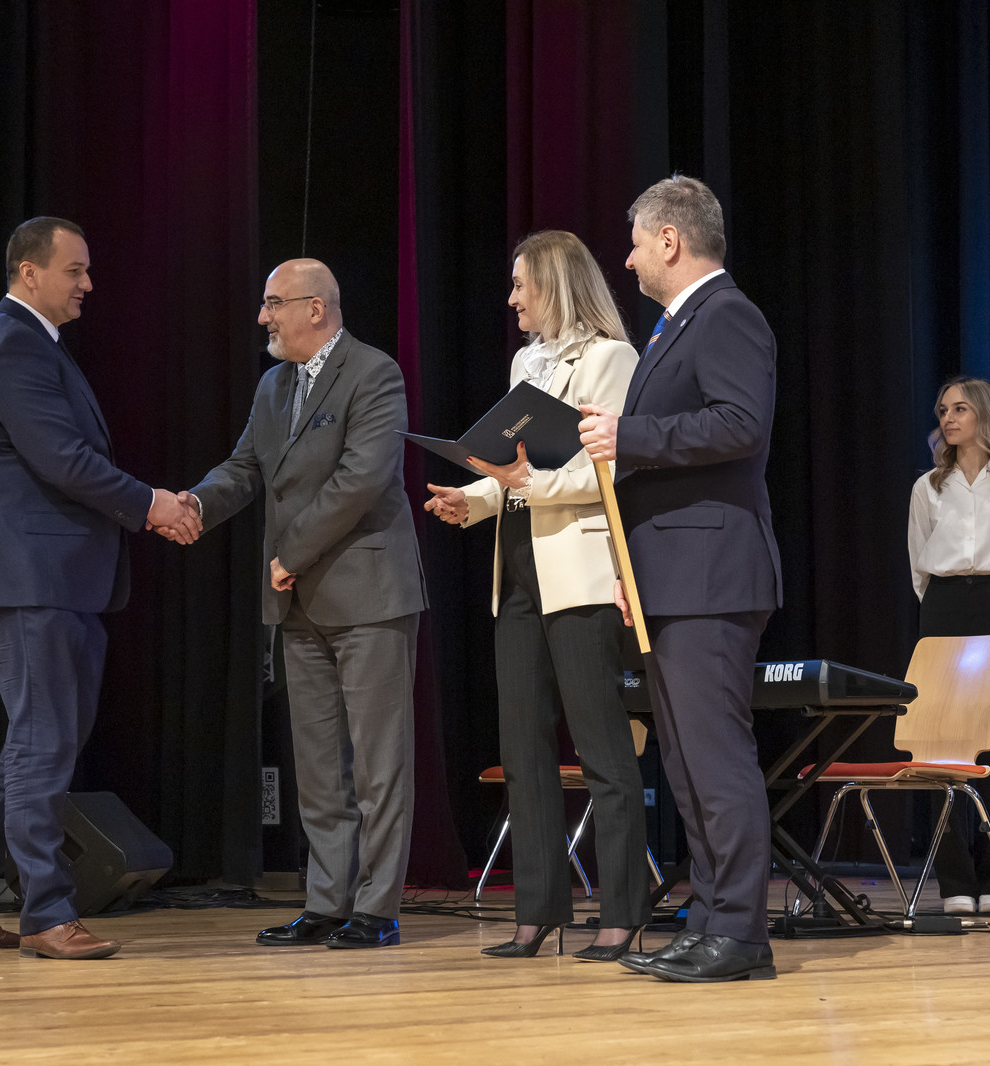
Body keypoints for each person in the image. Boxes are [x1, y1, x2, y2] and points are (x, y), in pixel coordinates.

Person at [0, 217, 198, 961]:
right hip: (29, 572)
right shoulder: (12, 343)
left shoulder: (32, 342)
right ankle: (46, 912)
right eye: (74, 271)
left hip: (56, 575)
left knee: (44, 737)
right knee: (43, 740)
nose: (87, 284)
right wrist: (151, 504)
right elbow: (62, 458)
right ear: (29, 272)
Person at [182, 258, 427, 948]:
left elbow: (362, 479)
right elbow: (245, 468)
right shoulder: (273, 385)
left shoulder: (375, 373)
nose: (263, 317)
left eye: (274, 303)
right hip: (298, 605)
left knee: (378, 763)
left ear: (315, 308)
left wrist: (291, 554)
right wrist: (194, 505)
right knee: (319, 767)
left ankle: (376, 908)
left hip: (368, 594)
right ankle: (326, 902)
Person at [578, 175, 782, 983]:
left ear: (670, 239)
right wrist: (631, 570)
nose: (627, 262)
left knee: (716, 759)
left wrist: (628, 434)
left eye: (635, 245)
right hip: (670, 575)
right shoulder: (674, 327)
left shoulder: (726, 313)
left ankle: (740, 933)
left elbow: (740, 423)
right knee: (689, 767)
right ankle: (711, 923)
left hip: (712, 573)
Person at [425, 230, 648, 961]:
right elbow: (514, 471)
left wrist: (527, 483)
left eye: (521, 284)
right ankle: (537, 911)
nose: (513, 299)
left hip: (578, 566)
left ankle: (621, 912)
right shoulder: (528, 362)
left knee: (601, 748)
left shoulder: (611, 358)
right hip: (518, 565)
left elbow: (606, 469)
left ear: (554, 283)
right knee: (522, 748)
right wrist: (473, 499)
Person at [907, 376, 990, 917]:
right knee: (939, 745)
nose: (948, 418)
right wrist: (944, 612)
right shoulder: (927, 487)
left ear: (983, 414)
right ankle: (954, 880)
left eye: (959, 408)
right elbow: (919, 569)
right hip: (943, 608)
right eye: (942, 410)